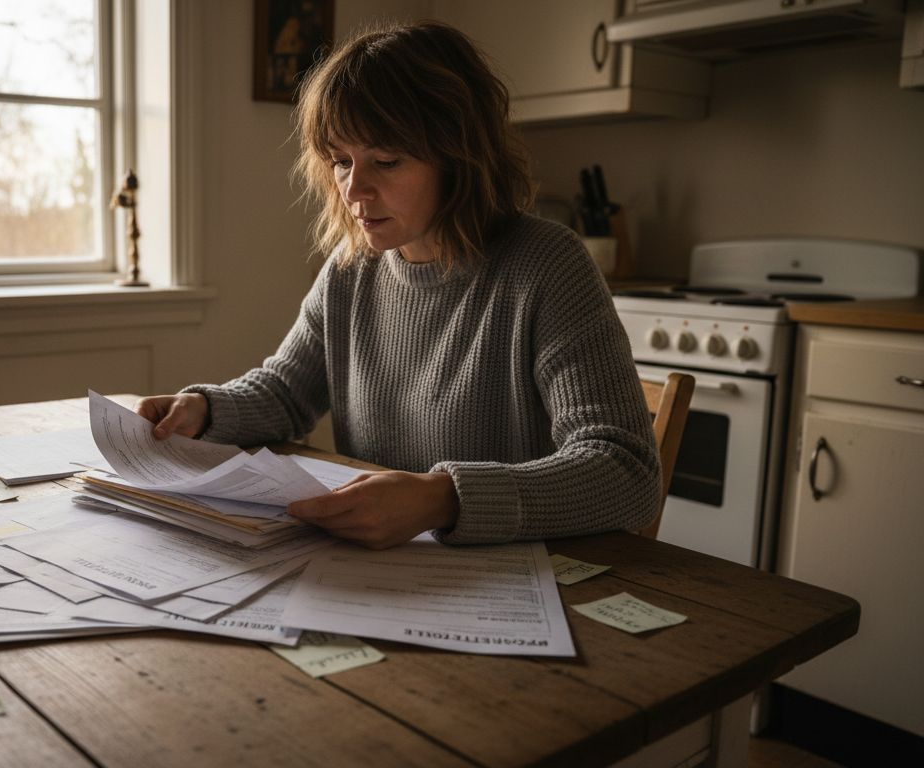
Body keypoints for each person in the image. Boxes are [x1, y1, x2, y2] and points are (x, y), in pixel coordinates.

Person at [136, 21, 661, 549]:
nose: (354, 189)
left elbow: (627, 473)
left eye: (386, 161)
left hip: (518, 577)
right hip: (382, 566)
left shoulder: (547, 265)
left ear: (459, 157)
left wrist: (443, 498)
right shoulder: (351, 268)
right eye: (341, 161)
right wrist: (206, 409)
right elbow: (286, 392)